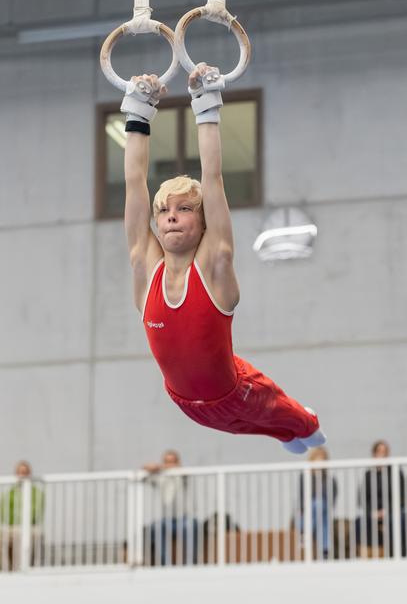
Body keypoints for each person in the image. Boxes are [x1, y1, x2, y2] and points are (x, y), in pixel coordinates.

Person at [121, 63, 326, 455]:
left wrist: (206, 104)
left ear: (202, 223)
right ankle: (288, 436)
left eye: (183, 210)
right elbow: (134, 184)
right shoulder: (145, 266)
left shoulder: (214, 263)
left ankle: (304, 425)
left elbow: (213, 178)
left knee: (289, 420)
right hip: (187, 405)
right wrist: (137, 112)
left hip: (239, 391)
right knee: (250, 431)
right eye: (164, 212)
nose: (171, 217)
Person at [143, 450, 197, 565]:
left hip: (184, 518)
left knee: (191, 525)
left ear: (178, 462)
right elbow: (143, 477)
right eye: (167, 462)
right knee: (156, 527)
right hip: (166, 520)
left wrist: (170, 468)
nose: (169, 465)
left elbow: (186, 473)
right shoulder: (161, 477)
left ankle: (190, 563)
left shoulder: (182, 475)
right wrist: (148, 467)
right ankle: (165, 564)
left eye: (172, 461)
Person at [355, 440, 404, 556]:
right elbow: (362, 499)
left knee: (398, 520)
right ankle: (365, 554)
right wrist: (372, 513)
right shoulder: (368, 474)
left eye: (385, 452)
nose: (382, 455)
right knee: (359, 522)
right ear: (374, 454)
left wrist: (387, 511)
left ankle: (395, 554)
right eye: (379, 452)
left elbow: (400, 496)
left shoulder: (396, 472)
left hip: (392, 511)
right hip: (373, 512)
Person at [0, 461, 44, 570]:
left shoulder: (37, 493)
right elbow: (4, 511)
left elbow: (36, 512)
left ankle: (24, 568)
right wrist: (14, 521)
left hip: (30, 526)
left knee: (25, 535)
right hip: (13, 526)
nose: (22, 475)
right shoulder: (9, 493)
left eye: (25, 472)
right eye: (20, 472)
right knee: (4, 536)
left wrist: (21, 521)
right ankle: (6, 569)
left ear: (29, 474)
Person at [297, 447, 337, 559]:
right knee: (321, 516)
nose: (320, 462)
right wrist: (302, 510)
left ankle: (305, 535)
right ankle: (325, 550)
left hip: (323, 510)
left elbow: (331, 500)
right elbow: (302, 497)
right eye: (318, 459)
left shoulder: (329, 479)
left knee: (320, 506)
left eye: (323, 459)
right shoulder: (305, 476)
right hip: (306, 514)